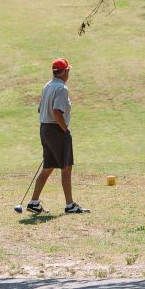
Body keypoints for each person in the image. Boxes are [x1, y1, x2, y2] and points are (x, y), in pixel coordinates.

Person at [28, 58, 84, 214]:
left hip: (44, 129)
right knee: (66, 167)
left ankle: (34, 202)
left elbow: (40, 110)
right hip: (56, 130)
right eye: (68, 70)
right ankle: (70, 205)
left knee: (48, 166)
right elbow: (57, 112)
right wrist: (65, 129)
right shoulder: (61, 89)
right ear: (64, 72)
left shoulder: (47, 86)